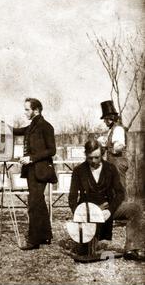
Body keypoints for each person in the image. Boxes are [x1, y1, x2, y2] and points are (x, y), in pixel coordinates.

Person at [68, 139, 144, 261]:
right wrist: (80, 215)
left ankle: (132, 249)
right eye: (90, 158)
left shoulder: (110, 168)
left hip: (108, 208)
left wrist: (110, 210)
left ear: (102, 154)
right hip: (89, 212)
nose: (93, 161)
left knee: (134, 209)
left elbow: (120, 193)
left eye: (96, 157)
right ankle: (90, 243)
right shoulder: (78, 171)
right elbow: (72, 198)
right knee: (86, 253)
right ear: (85, 155)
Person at [11, 98, 57, 250]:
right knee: (39, 202)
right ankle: (46, 236)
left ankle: (34, 240)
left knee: (34, 203)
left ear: (36, 110)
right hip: (32, 170)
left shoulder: (46, 127)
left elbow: (52, 150)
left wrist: (31, 158)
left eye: (27, 110)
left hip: (41, 170)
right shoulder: (32, 126)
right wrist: (0, 127)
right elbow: (17, 131)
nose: (24, 112)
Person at [97, 100, 128, 189]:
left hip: (118, 163)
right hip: (113, 163)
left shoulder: (118, 129)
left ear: (110, 118)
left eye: (105, 119)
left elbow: (119, 146)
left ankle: (123, 203)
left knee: (119, 188)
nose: (104, 121)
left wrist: (108, 146)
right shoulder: (112, 129)